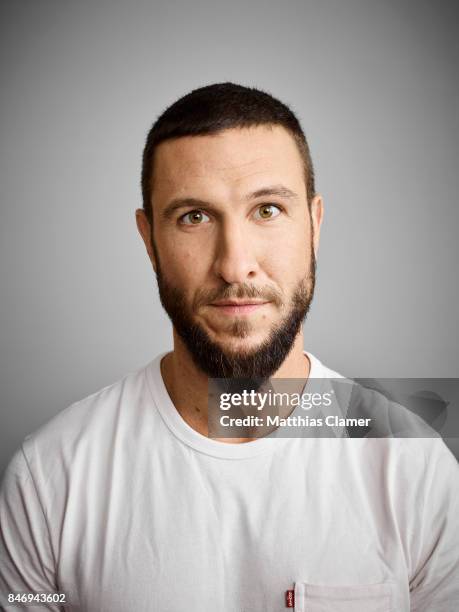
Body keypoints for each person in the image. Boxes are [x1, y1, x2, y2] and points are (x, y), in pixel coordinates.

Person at [0, 83, 458, 612]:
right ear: (149, 241)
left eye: (267, 210)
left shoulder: (416, 472)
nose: (234, 264)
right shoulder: (49, 480)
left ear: (314, 224)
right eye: (193, 216)